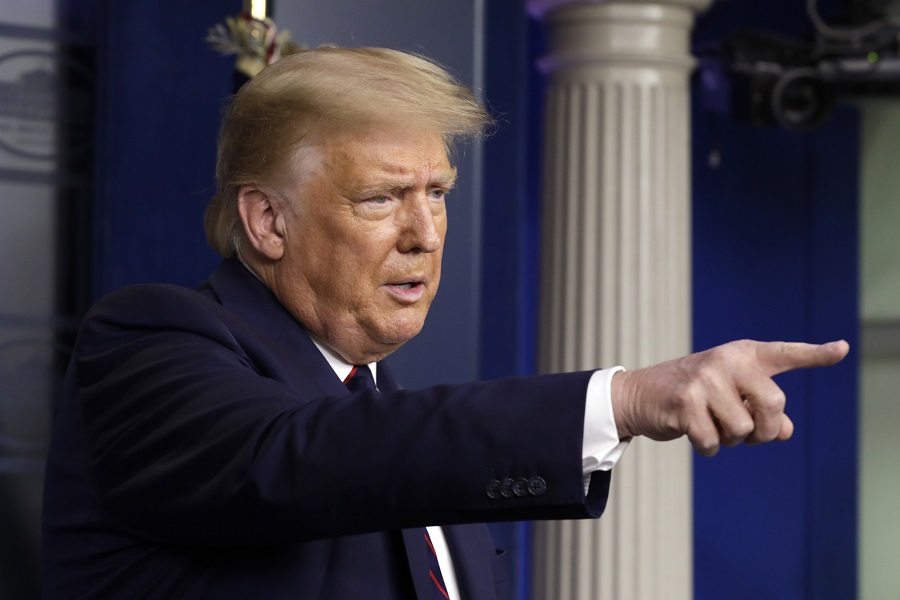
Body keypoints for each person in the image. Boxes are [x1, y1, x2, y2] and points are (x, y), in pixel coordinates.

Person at [41, 47, 848, 600]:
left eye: (439, 193)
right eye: (382, 197)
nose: (425, 233)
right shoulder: (148, 339)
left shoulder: (398, 423)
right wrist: (623, 400)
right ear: (267, 222)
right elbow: (292, 457)